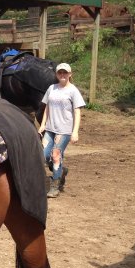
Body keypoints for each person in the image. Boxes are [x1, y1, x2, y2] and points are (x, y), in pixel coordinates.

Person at [37, 62, 86, 198]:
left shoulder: (73, 91)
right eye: (60, 72)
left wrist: (75, 131)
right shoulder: (51, 88)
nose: (62, 75)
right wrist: (42, 124)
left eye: (65, 72)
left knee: (56, 155)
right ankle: (61, 170)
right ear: (57, 74)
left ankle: (55, 186)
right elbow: (46, 108)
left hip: (64, 130)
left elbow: (77, 112)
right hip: (50, 128)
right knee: (43, 156)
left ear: (70, 74)